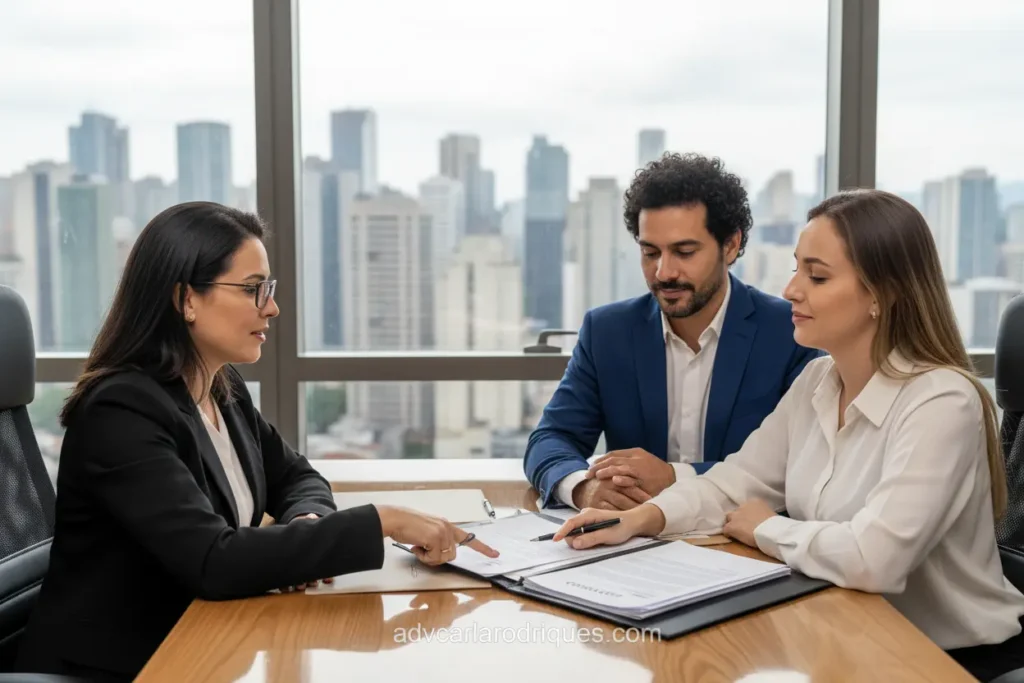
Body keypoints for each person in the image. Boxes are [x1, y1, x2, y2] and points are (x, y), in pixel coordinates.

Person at [550, 189, 1024, 682]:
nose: (792, 289)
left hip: (949, 661)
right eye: (797, 268)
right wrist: (641, 520)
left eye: (817, 276)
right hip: (847, 635)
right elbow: (736, 482)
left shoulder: (941, 402)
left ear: (882, 295)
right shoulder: (817, 381)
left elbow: (874, 560)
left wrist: (764, 528)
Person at [14, 202, 497, 682]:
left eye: (269, 289)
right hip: (124, 667)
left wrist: (309, 519)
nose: (272, 307)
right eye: (252, 290)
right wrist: (381, 522)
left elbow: (296, 476)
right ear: (185, 298)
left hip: (204, 644)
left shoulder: (220, 387)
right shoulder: (121, 413)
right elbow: (213, 560)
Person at [524, 152, 821, 512]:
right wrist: (582, 488)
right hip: (631, 546)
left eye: (684, 252)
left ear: (730, 246)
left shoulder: (789, 334)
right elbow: (551, 438)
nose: (664, 272)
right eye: (650, 252)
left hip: (743, 543)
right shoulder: (607, 332)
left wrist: (673, 477)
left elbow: (797, 468)